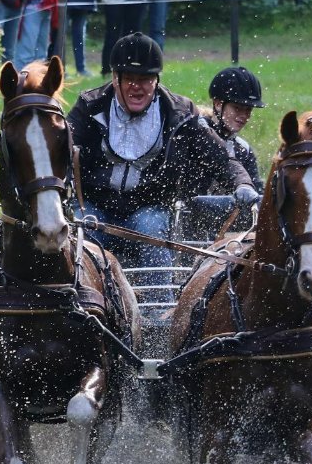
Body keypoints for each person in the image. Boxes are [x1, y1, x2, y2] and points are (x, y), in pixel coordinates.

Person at [67, 32, 257, 288]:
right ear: (115, 79)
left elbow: (220, 155)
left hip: (148, 208)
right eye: (130, 79)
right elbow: (60, 150)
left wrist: (242, 184)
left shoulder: (179, 112)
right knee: (78, 237)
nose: (137, 86)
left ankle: (160, 312)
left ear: (156, 81)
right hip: (95, 207)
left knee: (151, 228)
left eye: (145, 79)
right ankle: (80, 305)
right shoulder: (89, 106)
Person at [203, 66, 266, 192]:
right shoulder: (196, 135)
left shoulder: (244, 150)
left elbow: (256, 192)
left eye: (248, 110)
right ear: (218, 104)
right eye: (237, 108)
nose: (244, 116)